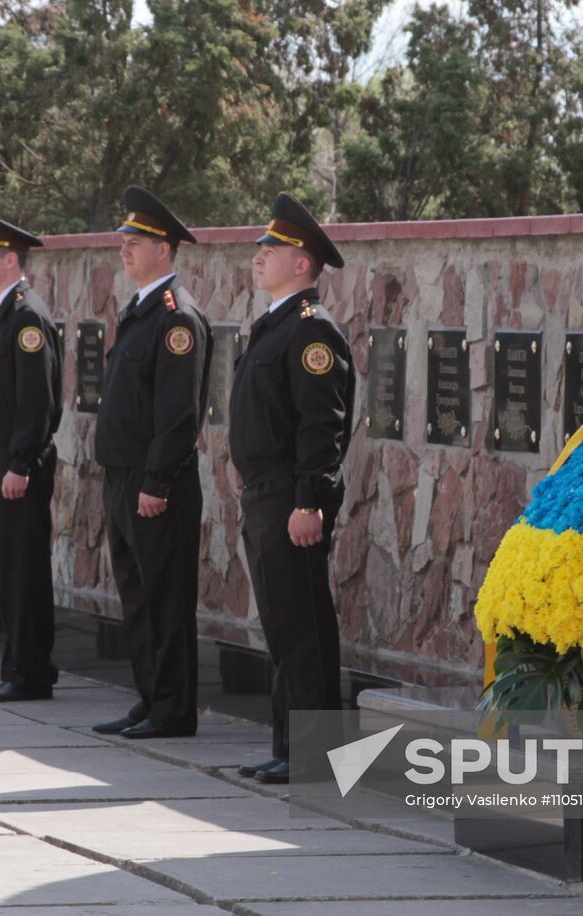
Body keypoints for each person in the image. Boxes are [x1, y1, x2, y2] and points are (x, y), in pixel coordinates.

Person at [228, 192, 354, 785]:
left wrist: (310, 501)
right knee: (281, 626)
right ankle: (289, 746)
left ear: (302, 263)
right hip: (264, 493)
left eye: (272, 248)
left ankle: (318, 756)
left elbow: (320, 426)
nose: (260, 255)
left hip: (290, 497)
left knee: (303, 627)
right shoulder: (274, 327)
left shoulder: (311, 334)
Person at [92, 187, 212, 740]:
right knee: (137, 594)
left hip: (154, 483)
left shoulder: (177, 318)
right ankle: (149, 698)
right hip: (123, 478)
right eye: (123, 240)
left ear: (164, 250)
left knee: (164, 598)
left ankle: (173, 709)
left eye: (134, 241)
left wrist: (157, 480)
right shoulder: (139, 311)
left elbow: (178, 413)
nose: (124, 249)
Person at [0, 210, 64, 702]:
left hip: (17, 465)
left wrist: (21, 463)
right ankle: (18, 666)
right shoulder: (3, 315)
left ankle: (30, 671)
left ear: (10, 260)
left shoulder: (28, 318)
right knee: (8, 566)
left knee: (23, 568)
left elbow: (37, 402)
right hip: (1, 461)